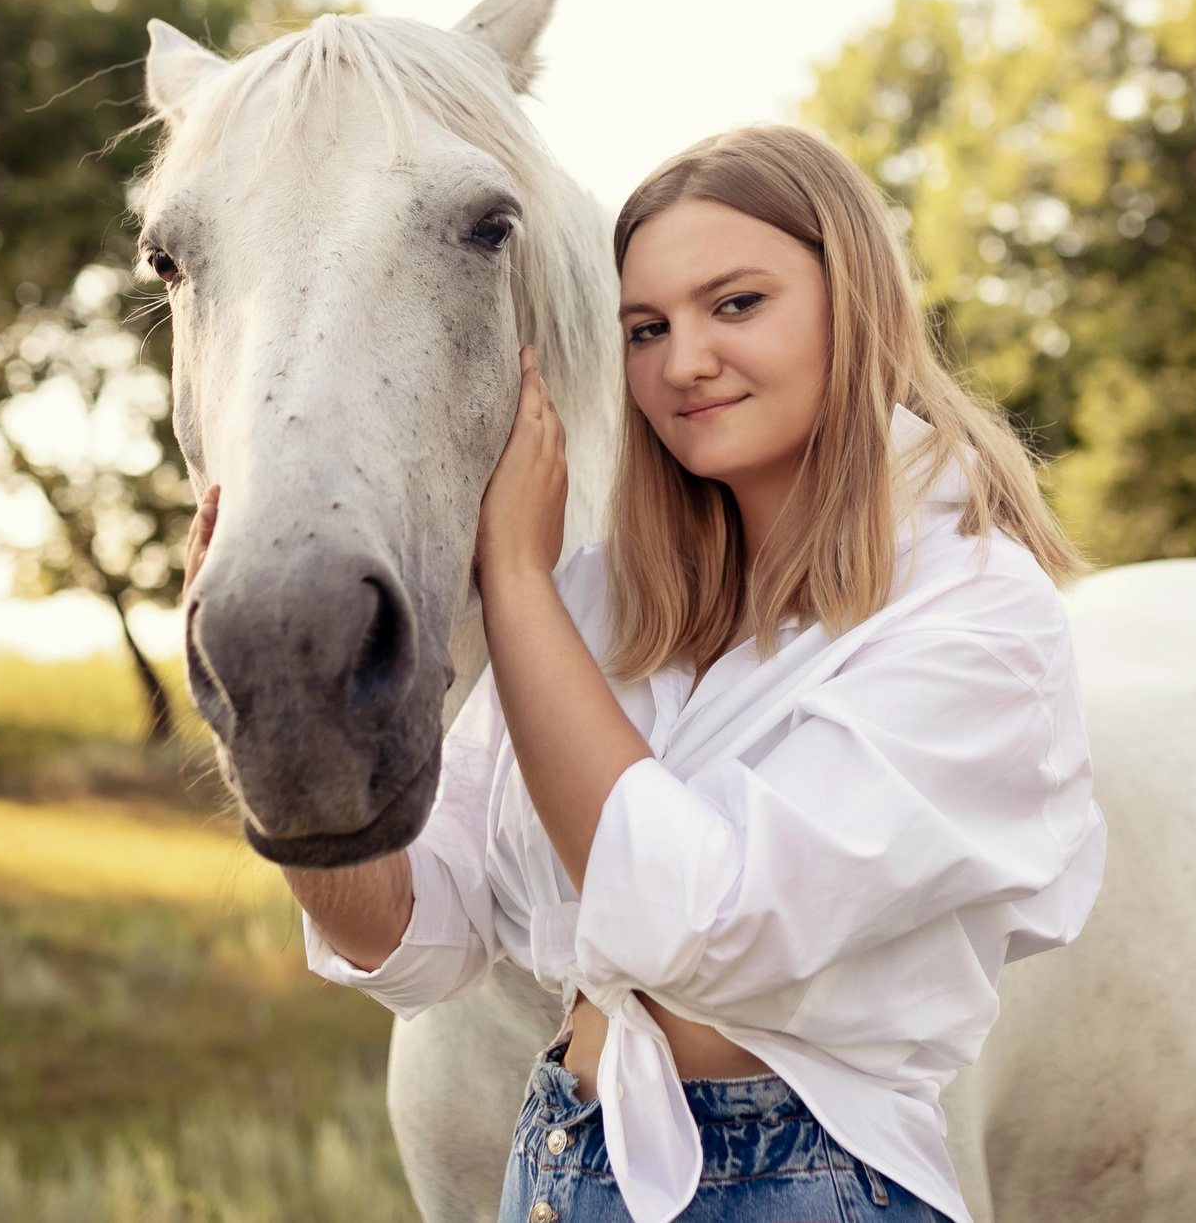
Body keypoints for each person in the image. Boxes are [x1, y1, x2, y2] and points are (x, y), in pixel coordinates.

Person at [189, 123, 1106, 1223]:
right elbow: (410, 935)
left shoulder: (973, 614)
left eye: (735, 305)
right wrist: (287, 742)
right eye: (644, 327)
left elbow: (700, 927)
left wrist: (515, 580)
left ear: (852, 302)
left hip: (802, 1188)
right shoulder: (606, 603)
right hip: (559, 1165)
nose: (683, 363)